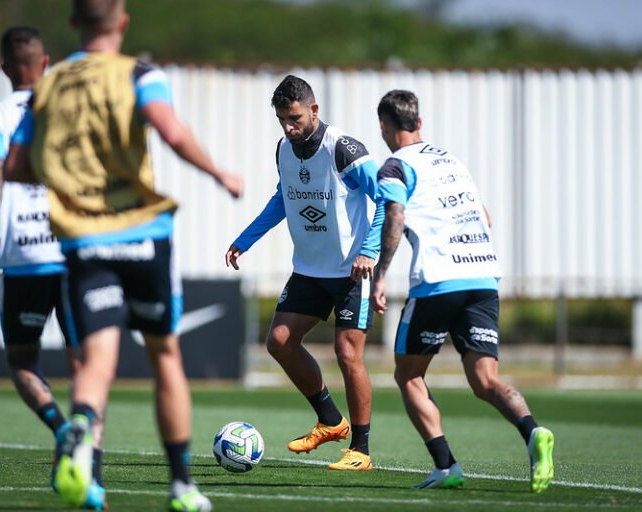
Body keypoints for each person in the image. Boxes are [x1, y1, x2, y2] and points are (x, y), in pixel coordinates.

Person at [3, 1, 243, 510]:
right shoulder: (140, 73)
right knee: (165, 355)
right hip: (142, 233)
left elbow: (17, 167)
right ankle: (181, 487)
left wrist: (70, 175)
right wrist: (220, 173)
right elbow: (171, 131)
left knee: (99, 356)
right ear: (123, 22)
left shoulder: (50, 85)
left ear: (73, 25)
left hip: (84, 240)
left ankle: (81, 425)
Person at [370, 89, 555, 493]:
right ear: (419, 123)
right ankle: (532, 431)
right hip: (484, 277)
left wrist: (381, 275)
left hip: (439, 279)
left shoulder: (394, 167)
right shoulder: (451, 160)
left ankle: (445, 466)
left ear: (385, 126)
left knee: (408, 373)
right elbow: (484, 216)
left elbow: (395, 219)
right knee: (485, 381)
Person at [0, 26, 107, 509]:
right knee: (87, 370)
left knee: (22, 362)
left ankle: (58, 428)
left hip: (24, 257)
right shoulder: (70, 112)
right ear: (46, 62)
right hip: (73, 254)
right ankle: (93, 482)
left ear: (6, 68)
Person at [225, 74, 383, 471]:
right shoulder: (284, 148)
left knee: (347, 353)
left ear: (314, 110)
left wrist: (369, 250)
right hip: (310, 269)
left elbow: (388, 196)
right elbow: (283, 198)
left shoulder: (343, 149)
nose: (289, 128)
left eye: (294, 118)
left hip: (351, 272)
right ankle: (330, 421)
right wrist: (246, 238)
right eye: (282, 120)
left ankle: (360, 450)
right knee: (279, 341)